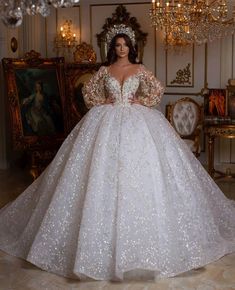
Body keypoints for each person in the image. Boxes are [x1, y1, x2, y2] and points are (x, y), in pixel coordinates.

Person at [0, 25, 235, 282]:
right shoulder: (105, 70)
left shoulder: (139, 69)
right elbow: (87, 93)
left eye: (124, 45)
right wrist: (102, 102)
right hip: (106, 121)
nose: (121, 48)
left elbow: (157, 90)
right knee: (98, 174)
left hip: (137, 123)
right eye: (117, 45)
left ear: (131, 47)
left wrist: (141, 101)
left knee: (142, 175)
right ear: (113, 48)